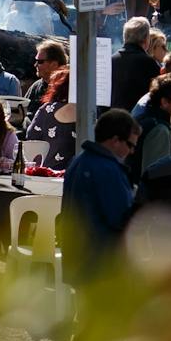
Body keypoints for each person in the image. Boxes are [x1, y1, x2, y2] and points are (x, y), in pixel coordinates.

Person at [59, 109, 138, 286]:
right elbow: (120, 217)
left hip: (77, 258)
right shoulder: (108, 169)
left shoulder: (78, 161)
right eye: (130, 145)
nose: (131, 151)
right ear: (115, 140)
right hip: (100, 263)